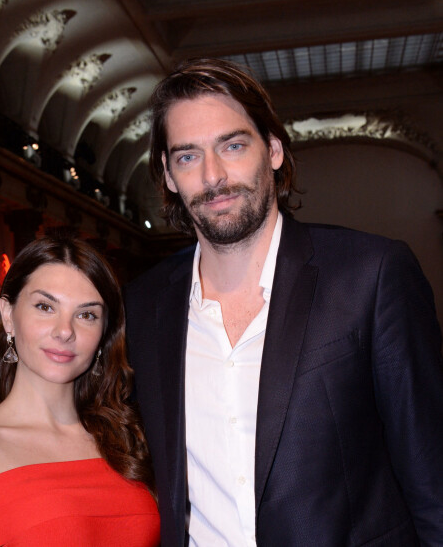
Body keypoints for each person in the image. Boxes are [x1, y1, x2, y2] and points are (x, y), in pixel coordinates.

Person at [124, 58, 443, 546]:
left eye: (232, 146)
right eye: (188, 156)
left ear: (272, 150)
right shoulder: (145, 306)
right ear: (168, 175)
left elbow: (431, 475)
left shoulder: (370, 275)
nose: (213, 176)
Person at [0, 232, 160, 546]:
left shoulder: (127, 435)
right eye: (45, 307)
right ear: (8, 315)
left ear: (103, 332)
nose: (65, 331)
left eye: (86, 315)